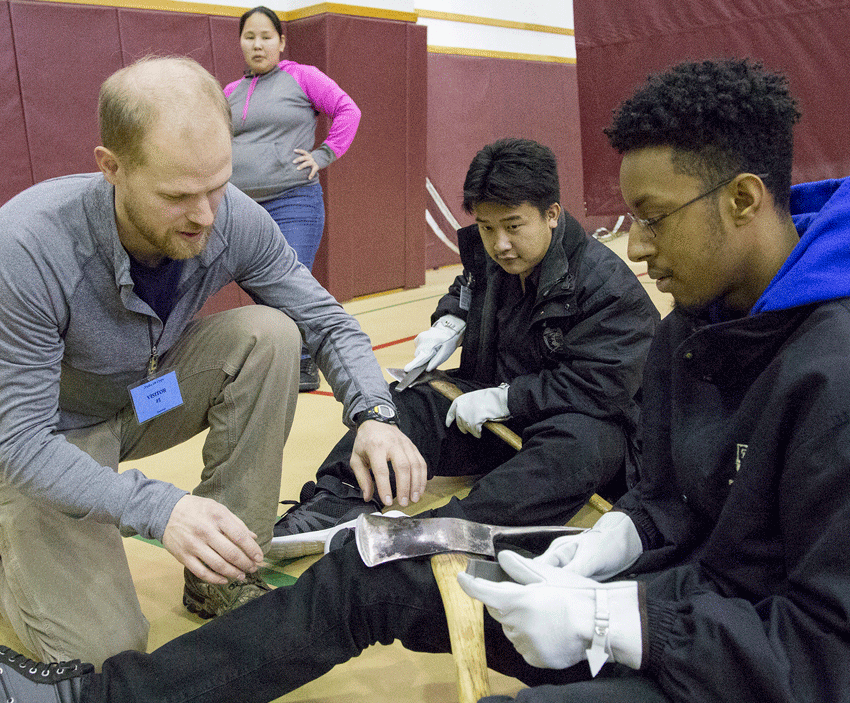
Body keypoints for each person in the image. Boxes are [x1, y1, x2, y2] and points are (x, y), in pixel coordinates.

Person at [0, 59, 850, 703]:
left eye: (655, 216)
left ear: (746, 199)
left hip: (775, 691)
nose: (638, 243)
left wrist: (625, 622)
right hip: (675, 593)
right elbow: (685, 496)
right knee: (379, 562)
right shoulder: (712, 320)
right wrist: (617, 542)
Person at [0, 56, 424, 668]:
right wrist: (161, 509)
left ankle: (221, 569)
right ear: (111, 168)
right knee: (98, 654)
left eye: (217, 186)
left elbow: (324, 319)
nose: (206, 216)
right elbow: (21, 439)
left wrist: (375, 414)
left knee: (269, 336)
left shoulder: (228, 215)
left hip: (138, 402)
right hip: (42, 437)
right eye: (178, 196)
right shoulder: (27, 246)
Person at [271, 137, 658, 556]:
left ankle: (443, 530)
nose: (500, 244)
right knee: (409, 402)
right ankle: (337, 499)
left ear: (551, 215)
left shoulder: (608, 287)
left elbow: (604, 386)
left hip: (575, 422)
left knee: (580, 448)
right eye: (488, 228)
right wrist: (450, 318)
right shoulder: (494, 258)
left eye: (513, 226)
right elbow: (466, 286)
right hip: (496, 412)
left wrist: (509, 398)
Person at [226, 5, 362, 393]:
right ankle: (291, 354)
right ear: (240, 42)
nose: (258, 44)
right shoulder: (231, 93)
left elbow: (347, 110)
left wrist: (323, 155)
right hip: (242, 209)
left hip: (293, 202)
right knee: (260, 286)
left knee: (289, 283)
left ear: (282, 42)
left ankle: (303, 363)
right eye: (249, 37)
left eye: (266, 36)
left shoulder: (302, 77)